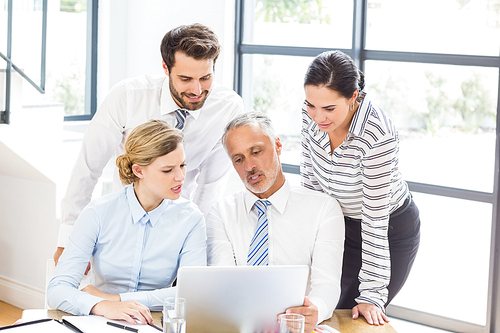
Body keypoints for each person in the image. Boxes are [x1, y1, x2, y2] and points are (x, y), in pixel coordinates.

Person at [54, 23, 243, 267]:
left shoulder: (227, 108)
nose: (197, 90)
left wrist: (194, 242)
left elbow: (210, 185)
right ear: (166, 68)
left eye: (205, 78)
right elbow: (88, 168)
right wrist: (69, 237)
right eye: (185, 79)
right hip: (122, 223)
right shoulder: (128, 96)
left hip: (178, 226)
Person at [300, 50, 421, 326]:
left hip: (389, 230)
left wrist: (372, 293)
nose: (318, 117)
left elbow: (375, 218)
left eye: (330, 109)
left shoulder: (378, 133)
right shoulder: (311, 111)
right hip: (339, 224)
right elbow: (310, 183)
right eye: (311, 105)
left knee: (353, 316)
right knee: (318, 309)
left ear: (353, 97)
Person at [47, 120, 207, 324]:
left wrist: (116, 299)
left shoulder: (191, 218)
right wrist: (102, 306)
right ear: (139, 171)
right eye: (168, 170)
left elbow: (193, 294)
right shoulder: (98, 213)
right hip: (100, 320)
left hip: (155, 322)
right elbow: (57, 288)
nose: (180, 177)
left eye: (183, 165)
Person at [207, 112, 345, 333]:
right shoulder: (221, 213)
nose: (249, 166)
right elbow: (225, 284)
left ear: (278, 146)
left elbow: (327, 284)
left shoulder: (323, 208)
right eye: (239, 159)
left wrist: (315, 310)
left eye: (256, 152)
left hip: (295, 325)